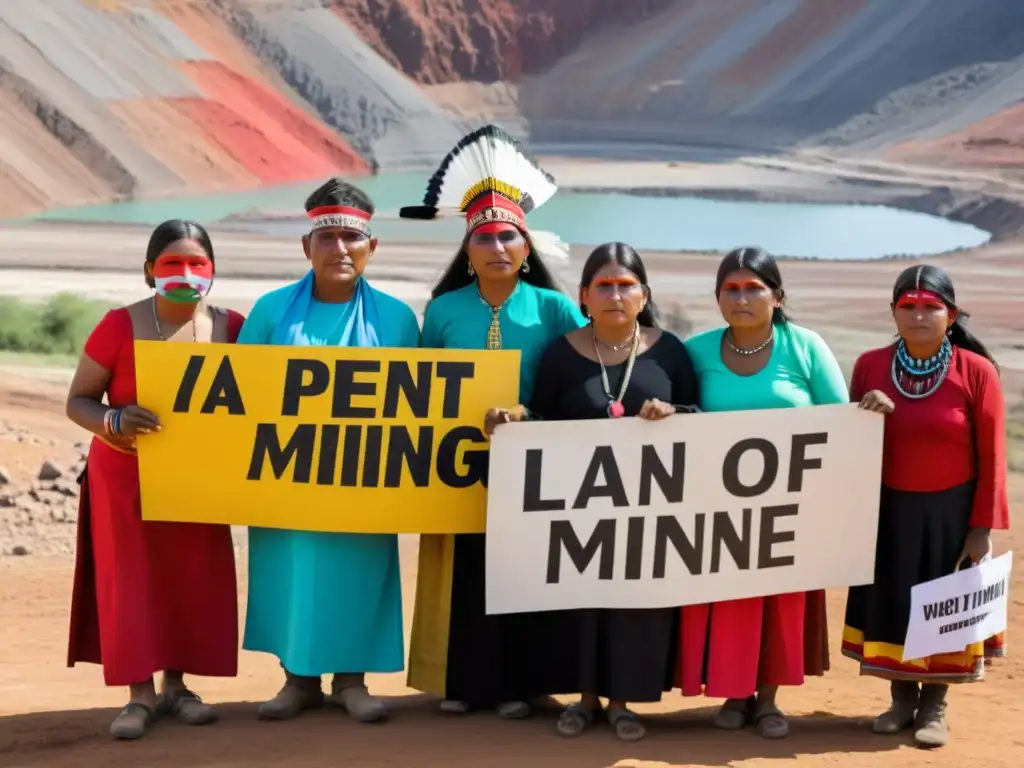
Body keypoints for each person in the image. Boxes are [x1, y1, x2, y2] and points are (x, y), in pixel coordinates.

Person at [400, 124, 587, 718]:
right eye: (485, 238)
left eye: (509, 236)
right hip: (459, 464)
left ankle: (523, 685)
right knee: (463, 572)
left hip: (536, 465)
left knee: (526, 571)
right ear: (468, 249)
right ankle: (464, 683)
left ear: (526, 247)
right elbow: (425, 388)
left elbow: (568, 386)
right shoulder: (445, 310)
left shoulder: (556, 308)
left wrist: (529, 418)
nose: (498, 247)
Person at [239, 178, 420, 724]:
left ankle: (352, 681)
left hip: (364, 478)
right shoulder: (271, 311)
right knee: (294, 571)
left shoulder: (396, 318)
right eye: (327, 237)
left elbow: (417, 404)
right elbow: (241, 393)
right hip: (286, 471)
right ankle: (297, 679)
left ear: (372, 247)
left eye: (351, 238)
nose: (339, 248)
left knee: (358, 571)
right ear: (306, 247)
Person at [66, 219, 241, 740]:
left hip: (197, 478)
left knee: (189, 576)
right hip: (123, 477)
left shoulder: (233, 327)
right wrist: (113, 421)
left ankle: (177, 688)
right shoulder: (118, 325)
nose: (185, 273)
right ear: (149, 271)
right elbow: (78, 400)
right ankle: (138, 696)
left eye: (197, 264)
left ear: (212, 272)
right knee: (132, 580)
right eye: (171, 264)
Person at [521, 242, 699, 742]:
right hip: (577, 512)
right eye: (604, 286)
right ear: (583, 296)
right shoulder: (561, 354)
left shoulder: (670, 352)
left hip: (648, 512)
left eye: (626, 286)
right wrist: (513, 420)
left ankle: (622, 701)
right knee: (577, 603)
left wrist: (674, 415)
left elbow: (702, 422)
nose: (615, 295)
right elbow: (540, 420)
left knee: (632, 607)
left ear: (643, 296)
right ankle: (582, 699)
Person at [676, 246, 845, 739]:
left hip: (790, 510)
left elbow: (840, 421)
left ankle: (769, 699)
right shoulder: (697, 350)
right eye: (731, 289)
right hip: (715, 510)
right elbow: (680, 415)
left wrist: (868, 407)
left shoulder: (805, 346)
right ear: (717, 298)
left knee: (779, 602)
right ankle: (734, 692)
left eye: (754, 288)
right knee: (727, 601)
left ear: (777, 296)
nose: (742, 297)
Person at [842, 264, 1009, 749]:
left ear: (951, 315)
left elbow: (995, 455)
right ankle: (900, 699)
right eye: (908, 306)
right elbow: (848, 438)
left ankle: (935, 704)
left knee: (942, 609)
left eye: (930, 307)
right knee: (894, 602)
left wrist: (981, 527)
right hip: (888, 510)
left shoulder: (976, 372)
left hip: (951, 514)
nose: (918, 315)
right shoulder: (871, 366)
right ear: (892, 312)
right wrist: (863, 409)